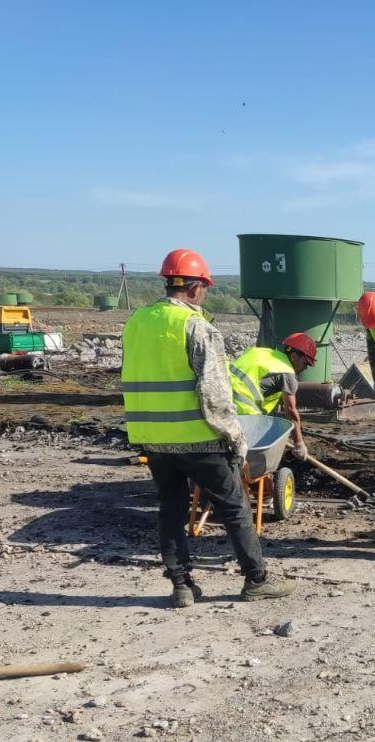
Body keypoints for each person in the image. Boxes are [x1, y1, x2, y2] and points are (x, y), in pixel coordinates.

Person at [120, 248, 293, 607]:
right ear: (197, 287)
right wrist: (234, 437)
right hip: (198, 437)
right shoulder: (197, 326)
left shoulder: (137, 321)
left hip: (152, 437)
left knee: (171, 510)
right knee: (234, 508)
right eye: (207, 289)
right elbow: (215, 394)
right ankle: (256, 579)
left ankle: (182, 586)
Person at [228, 332, 316, 461]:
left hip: (220, 396)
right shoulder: (286, 372)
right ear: (294, 356)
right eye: (305, 363)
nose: (305, 368)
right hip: (242, 405)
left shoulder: (263, 353)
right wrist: (299, 443)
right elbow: (291, 411)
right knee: (249, 452)